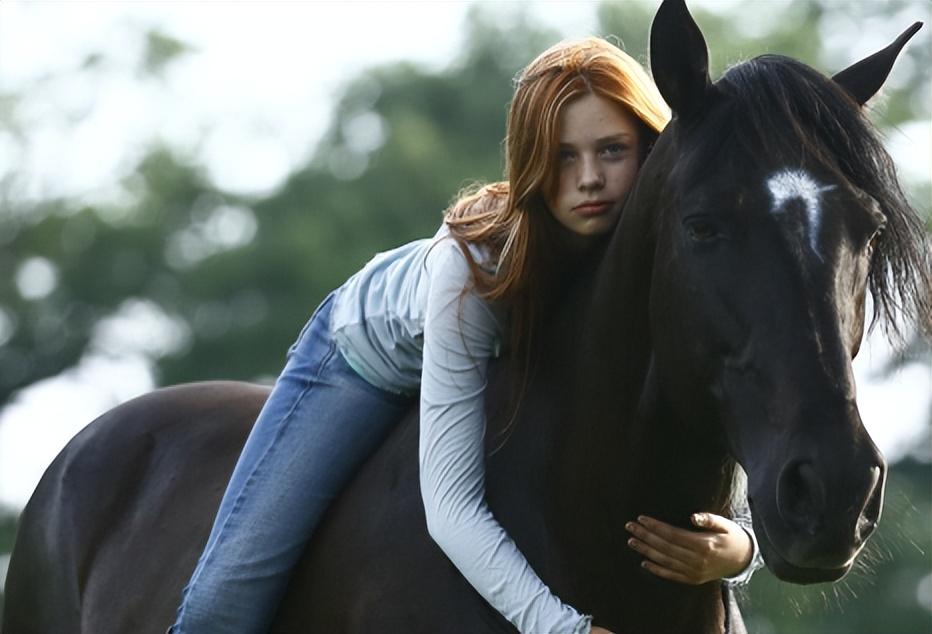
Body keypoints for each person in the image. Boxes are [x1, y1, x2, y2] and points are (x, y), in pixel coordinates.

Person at [170, 37, 762, 634]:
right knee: (221, 605)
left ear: (652, 149)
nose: (589, 179)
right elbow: (450, 508)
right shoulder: (475, 270)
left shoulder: (668, 251)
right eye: (561, 157)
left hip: (505, 367)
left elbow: (702, 407)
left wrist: (741, 547)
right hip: (361, 358)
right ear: (532, 163)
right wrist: (561, 629)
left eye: (612, 150)